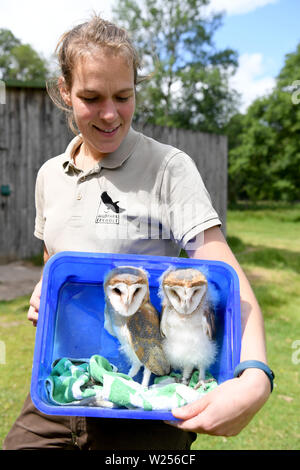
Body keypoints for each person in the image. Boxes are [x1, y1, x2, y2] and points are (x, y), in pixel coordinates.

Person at [3, 15, 273, 450]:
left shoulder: (169, 168)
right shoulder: (49, 175)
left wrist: (256, 374)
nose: (111, 114)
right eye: (91, 97)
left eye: (123, 96)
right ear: (64, 92)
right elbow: (56, 260)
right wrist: (44, 290)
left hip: (146, 395)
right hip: (65, 385)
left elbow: (224, 272)